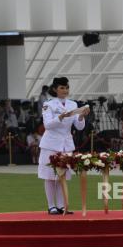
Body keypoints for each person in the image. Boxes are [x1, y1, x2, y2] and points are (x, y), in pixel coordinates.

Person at [38, 77, 90, 215]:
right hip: (51, 143)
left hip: (66, 144)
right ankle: (51, 206)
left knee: (63, 176)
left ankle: (62, 205)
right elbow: (47, 125)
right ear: (55, 89)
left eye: (66, 88)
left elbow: (79, 127)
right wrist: (60, 117)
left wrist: (81, 116)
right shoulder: (48, 104)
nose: (65, 90)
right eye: (62, 88)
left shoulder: (73, 104)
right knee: (49, 176)